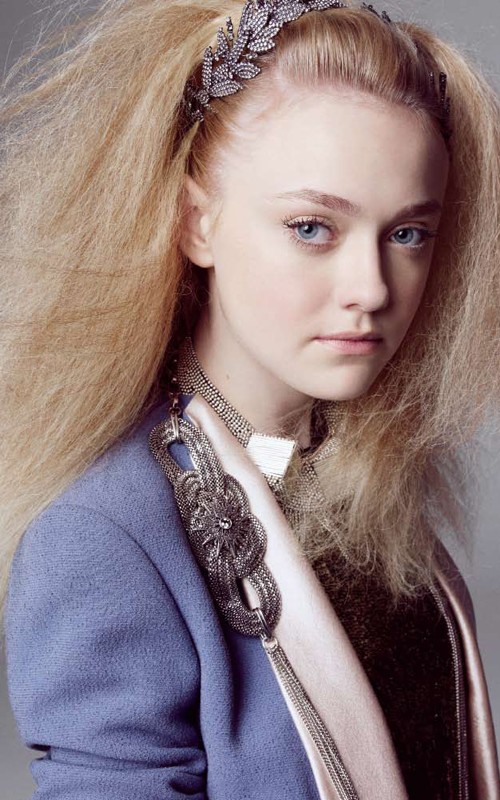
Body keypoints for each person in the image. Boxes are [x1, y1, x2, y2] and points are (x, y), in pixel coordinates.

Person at [1, 0, 500, 797]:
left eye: (407, 233)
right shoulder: (104, 536)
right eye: (312, 228)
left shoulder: (361, 488)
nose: (372, 288)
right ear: (196, 223)